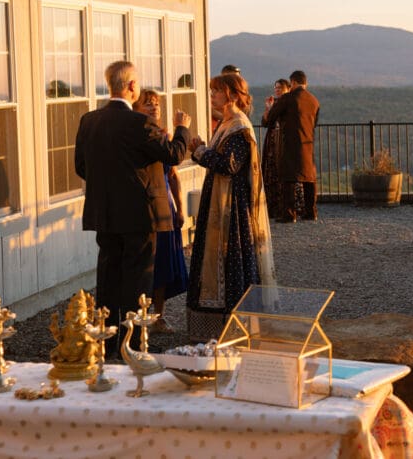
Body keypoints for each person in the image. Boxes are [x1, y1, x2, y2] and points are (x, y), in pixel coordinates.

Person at [74, 61, 191, 352]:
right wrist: (182, 129)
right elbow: (173, 154)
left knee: (108, 277)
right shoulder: (140, 124)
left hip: (104, 214)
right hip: (140, 216)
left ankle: (108, 340)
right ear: (130, 87)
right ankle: (133, 345)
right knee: (137, 281)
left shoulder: (88, 121)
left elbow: (81, 167)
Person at [187, 73, 277, 341]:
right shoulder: (226, 123)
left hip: (231, 210)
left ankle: (234, 327)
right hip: (218, 202)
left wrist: (201, 151)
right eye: (212, 90)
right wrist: (202, 149)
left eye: (217, 90)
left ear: (233, 95)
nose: (212, 95)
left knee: (232, 260)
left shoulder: (238, 126)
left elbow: (230, 165)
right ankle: (214, 328)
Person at [132, 89, 189, 333]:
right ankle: (142, 316)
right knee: (148, 264)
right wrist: (181, 130)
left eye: (156, 104)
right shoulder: (141, 136)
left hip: (167, 205)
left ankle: (159, 316)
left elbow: (173, 174)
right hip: (148, 208)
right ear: (136, 108)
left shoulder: (163, 135)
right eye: (148, 104)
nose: (154, 107)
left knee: (165, 263)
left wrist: (180, 206)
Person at [263, 70, 320, 222]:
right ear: (305, 83)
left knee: (288, 178)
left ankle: (289, 214)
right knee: (309, 178)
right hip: (308, 142)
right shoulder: (314, 101)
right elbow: (314, 123)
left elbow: (270, 120)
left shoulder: (288, 98)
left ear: (293, 82)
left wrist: (269, 108)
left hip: (289, 143)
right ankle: (311, 212)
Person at [261, 78, 294, 219]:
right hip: (272, 140)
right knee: (271, 170)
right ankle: (272, 206)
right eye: (276, 87)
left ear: (287, 89)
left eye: (280, 87)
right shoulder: (274, 103)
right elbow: (265, 122)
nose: (277, 90)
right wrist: (268, 108)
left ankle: (283, 206)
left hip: (283, 140)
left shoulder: (288, 103)